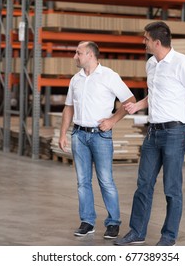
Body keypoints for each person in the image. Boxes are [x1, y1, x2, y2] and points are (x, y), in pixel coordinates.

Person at [114, 21, 185, 246]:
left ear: (157, 42)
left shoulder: (183, 63)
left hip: (175, 132)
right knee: (143, 184)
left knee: (172, 187)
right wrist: (138, 106)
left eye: (145, 39)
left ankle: (169, 236)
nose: (143, 42)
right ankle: (137, 232)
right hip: (153, 132)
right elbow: (154, 95)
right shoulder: (151, 64)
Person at [59, 41, 136, 239]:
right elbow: (68, 107)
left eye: (78, 53)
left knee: (106, 181)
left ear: (90, 55)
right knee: (82, 181)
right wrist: (62, 134)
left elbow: (130, 101)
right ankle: (87, 221)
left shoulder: (109, 76)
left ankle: (113, 223)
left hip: (100, 136)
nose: (75, 56)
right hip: (79, 135)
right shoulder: (75, 79)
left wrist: (112, 121)